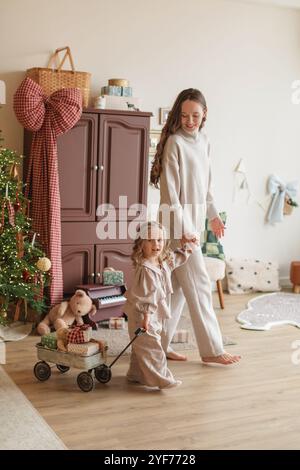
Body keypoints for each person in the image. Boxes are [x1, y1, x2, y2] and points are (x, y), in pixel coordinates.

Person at [150, 88, 241, 365]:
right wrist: (186, 230)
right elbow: (170, 196)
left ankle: (159, 347)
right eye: (185, 115)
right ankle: (212, 349)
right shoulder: (175, 143)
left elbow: (207, 187)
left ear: (204, 115)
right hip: (177, 228)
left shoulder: (204, 142)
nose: (190, 120)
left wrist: (213, 216)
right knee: (200, 283)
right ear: (179, 115)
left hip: (193, 227)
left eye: (196, 115)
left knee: (177, 290)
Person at [124, 221, 197, 389]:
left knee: (140, 347)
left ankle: (135, 374)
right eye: (150, 240)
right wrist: (146, 318)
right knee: (152, 347)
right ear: (141, 244)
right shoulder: (146, 269)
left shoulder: (161, 262)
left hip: (153, 313)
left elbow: (176, 259)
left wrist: (188, 247)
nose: (156, 244)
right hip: (143, 315)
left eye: (159, 240)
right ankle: (163, 378)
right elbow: (144, 296)